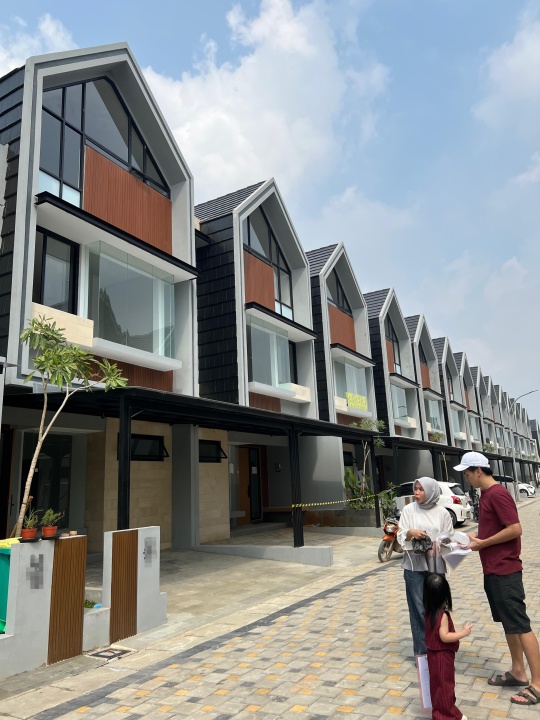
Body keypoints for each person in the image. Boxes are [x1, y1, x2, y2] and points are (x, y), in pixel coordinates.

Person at [454, 451, 540, 706]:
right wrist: (475, 540)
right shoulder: (486, 495)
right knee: (509, 623)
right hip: (493, 570)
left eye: (467, 473)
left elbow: (515, 529)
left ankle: (538, 684)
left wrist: (484, 543)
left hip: (505, 571)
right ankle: (518, 671)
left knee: (520, 624)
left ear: (478, 471)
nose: (466, 478)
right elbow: (493, 530)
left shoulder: (498, 494)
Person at [397, 477, 454, 657]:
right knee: (418, 609)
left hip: (435, 563)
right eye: (415, 488)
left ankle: (438, 649)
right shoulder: (409, 510)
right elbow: (400, 534)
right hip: (413, 564)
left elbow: (449, 538)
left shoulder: (443, 513)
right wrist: (410, 532)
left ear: (431, 491)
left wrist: (442, 541)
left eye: (421, 489)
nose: (417, 493)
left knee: (437, 607)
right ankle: (422, 654)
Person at [423, 573, 472, 720]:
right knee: (445, 685)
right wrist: (463, 632)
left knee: (437, 685)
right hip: (442, 655)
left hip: (432, 654)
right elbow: (444, 636)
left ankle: (440, 712)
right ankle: (447, 715)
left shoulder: (428, 611)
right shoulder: (442, 615)